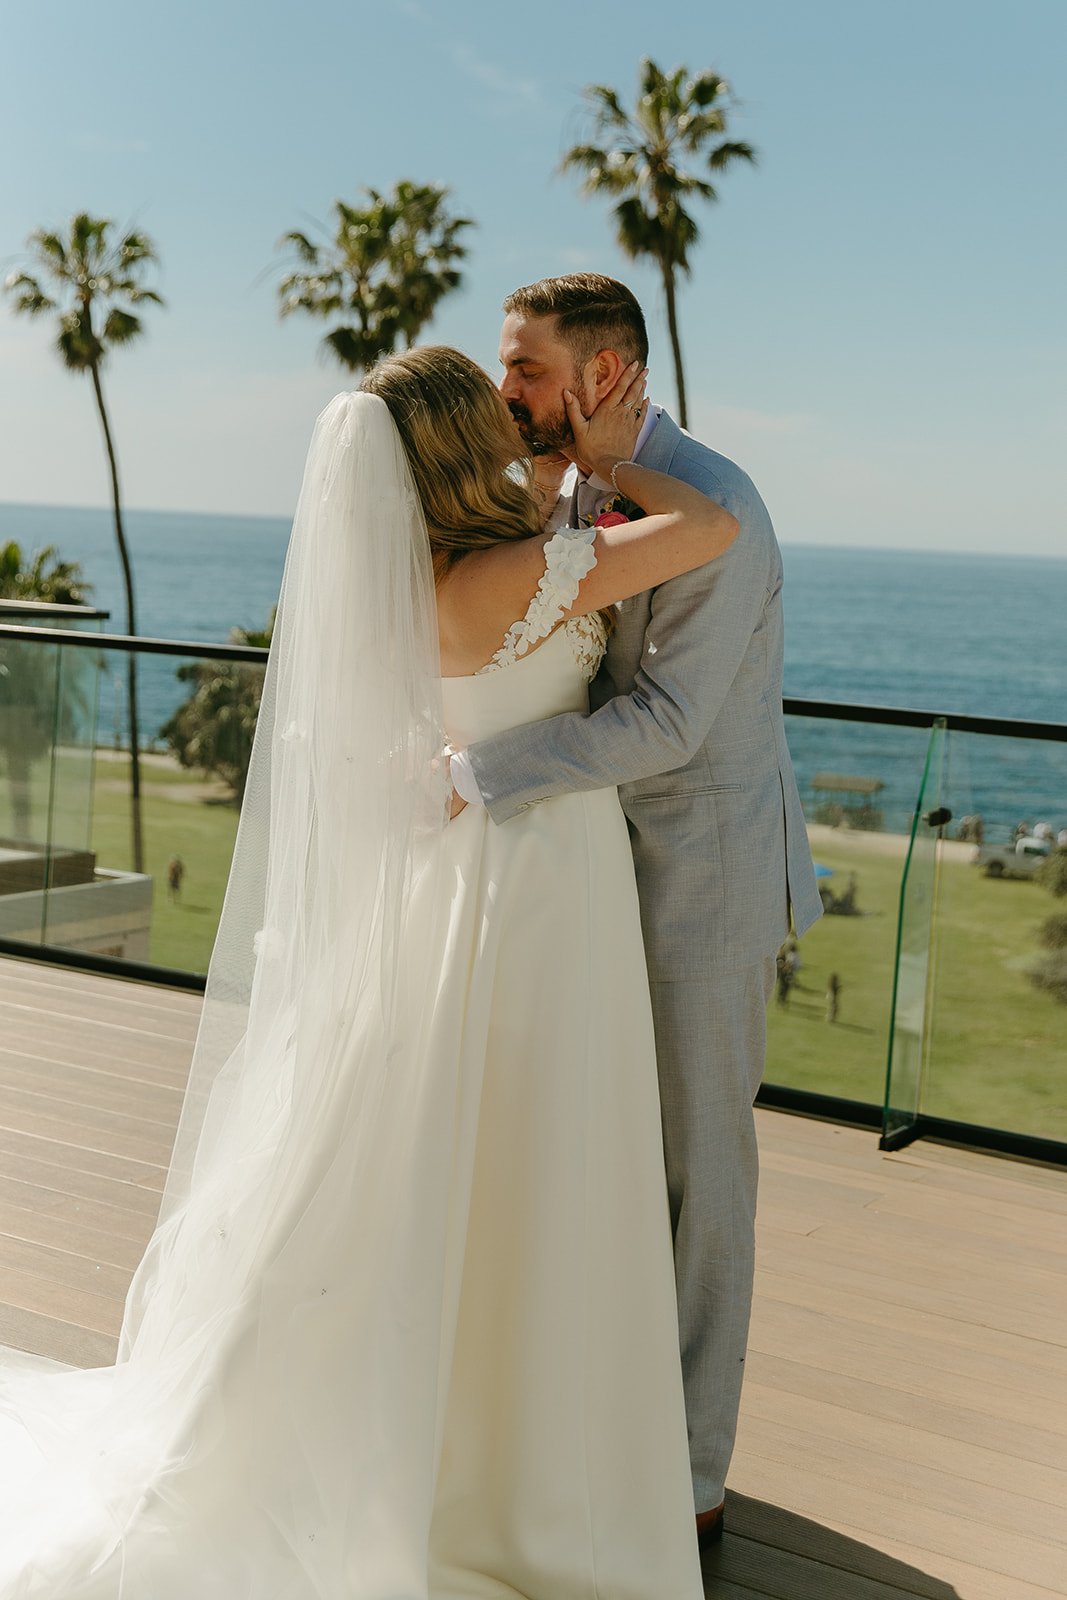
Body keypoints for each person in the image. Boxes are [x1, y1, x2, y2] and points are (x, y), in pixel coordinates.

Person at [0, 347, 738, 1597]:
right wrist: (604, 457)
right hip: (541, 890)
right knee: (538, 1162)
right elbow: (709, 524)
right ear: (459, 445)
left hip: (460, 889)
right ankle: (522, 1470)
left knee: (453, 1154)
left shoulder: (423, 581)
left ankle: (451, 1446)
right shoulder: (521, 570)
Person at [449, 273, 822, 1541]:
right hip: (585, 883)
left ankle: (694, 1474)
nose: (510, 392)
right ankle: (598, 1420)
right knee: (595, 1158)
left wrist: (477, 775)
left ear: (606, 377)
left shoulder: (724, 508)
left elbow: (664, 724)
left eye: (530, 371)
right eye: (507, 366)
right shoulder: (553, 491)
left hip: (703, 874)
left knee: (698, 1175)